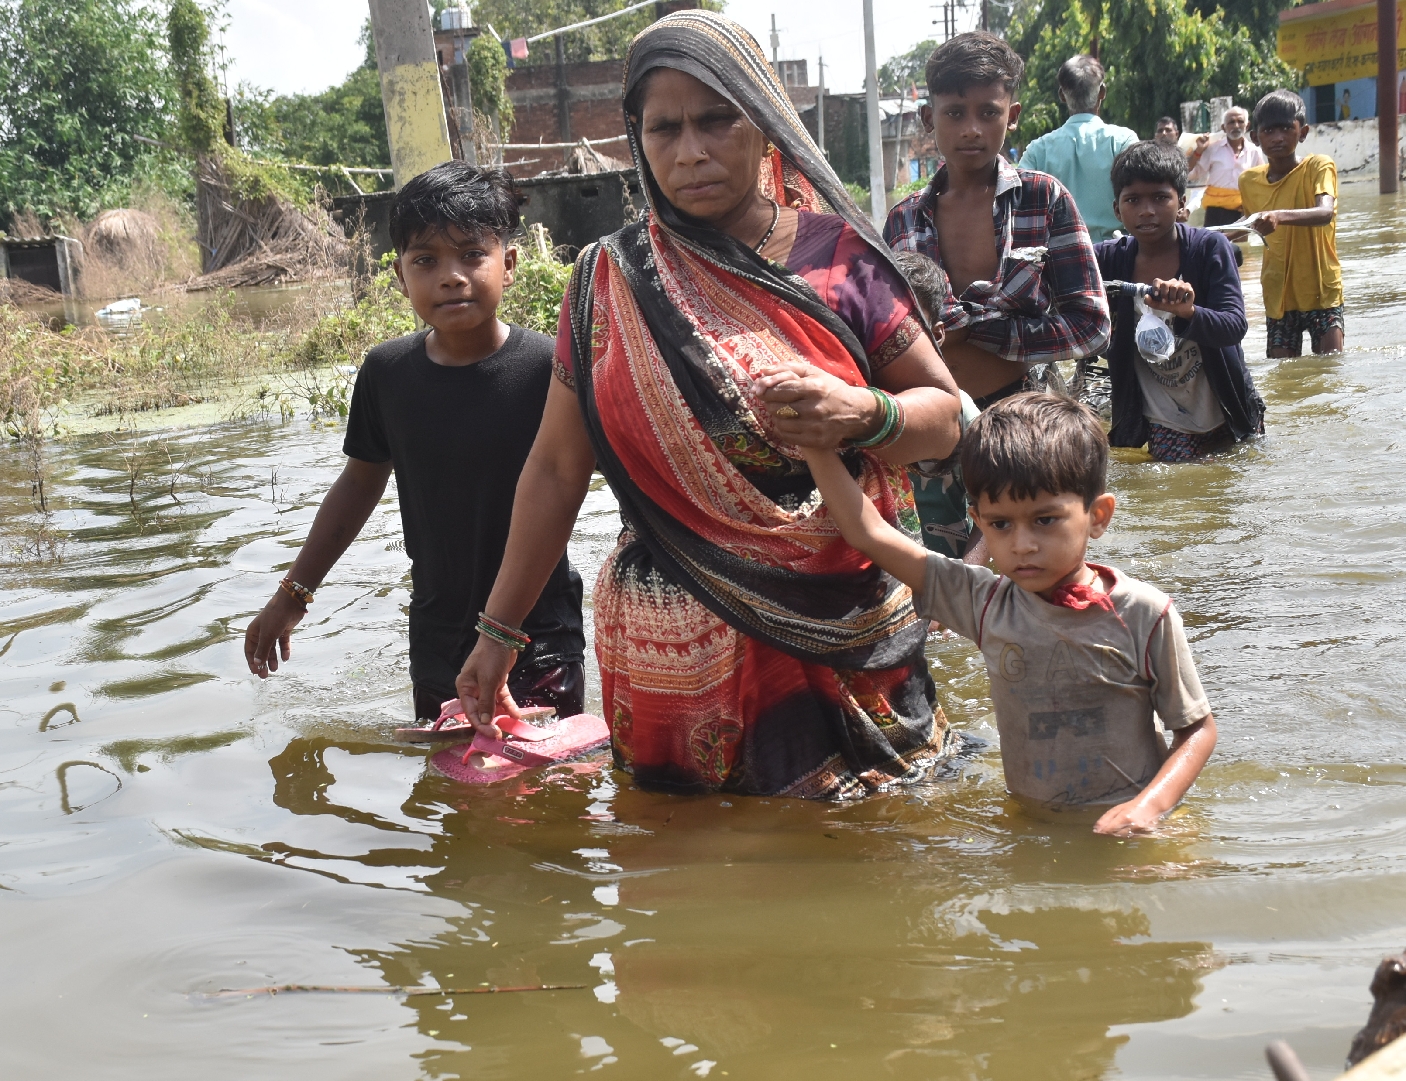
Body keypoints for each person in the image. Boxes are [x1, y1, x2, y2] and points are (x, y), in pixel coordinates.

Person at [454, 10, 966, 799]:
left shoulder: (839, 259)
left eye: (716, 120)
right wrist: (497, 632)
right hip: (667, 653)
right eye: (664, 129)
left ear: (764, 125)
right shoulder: (605, 282)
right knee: (674, 889)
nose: (690, 151)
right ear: (638, 139)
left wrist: (865, 414)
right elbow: (557, 469)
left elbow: (950, 415)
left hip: (836, 637)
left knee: (870, 847)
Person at [779, 390, 1218, 834]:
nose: (1022, 544)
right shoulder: (985, 602)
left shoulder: (1144, 613)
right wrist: (812, 444)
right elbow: (868, 533)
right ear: (978, 521)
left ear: (1098, 516)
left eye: (1045, 520)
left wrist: (1149, 808)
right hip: (1030, 822)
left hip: (1137, 824)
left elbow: (1197, 731)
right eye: (1001, 524)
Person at [243, 163, 586, 723]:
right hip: (437, 637)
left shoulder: (551, 370)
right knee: (452, 796)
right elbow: (359, 483)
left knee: (545, 790)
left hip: (538, 635)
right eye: (426, 260)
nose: (451, 276)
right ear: (401, 278)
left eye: (472, 254)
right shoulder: (388, 373)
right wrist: (293, 593)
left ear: (511, 265)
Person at [884, 31, 1109, 556]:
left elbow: (1092, 322)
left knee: (1029, 569)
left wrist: (983, 331)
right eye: (955, 112)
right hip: (930, 428)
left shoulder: (1043, 198)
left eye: (988, 112)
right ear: (927, 119)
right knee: (943, 582)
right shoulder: (901, 221)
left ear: (1014, 115)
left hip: (1022, 422)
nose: (972, 129)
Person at [1096, 141, 1264, 462]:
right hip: (1164, 417)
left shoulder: (1210, 249)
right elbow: (1060, 270)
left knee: (1231, 489)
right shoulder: (1107, 259)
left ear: (1182, 203)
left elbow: (1234, 326)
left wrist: (1189, 312)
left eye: (1160, 198)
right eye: (1133, 200)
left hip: (1226, 402)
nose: (1147, 210)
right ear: (1117, 209)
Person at [1239, 90, 1344, 357]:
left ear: (1303, 132)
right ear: (1255, 137)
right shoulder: (1249, 181)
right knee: (1283, 375)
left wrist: (1278, 216)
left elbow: (1324, 213)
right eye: (1269, 130)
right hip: (1278, 295)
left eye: (1286, 128)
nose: (1278, 137)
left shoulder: (1319, 166)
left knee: (1330, 372)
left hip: (1321, 290)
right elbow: (1248, 223)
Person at [1018, 55, 1138, 242]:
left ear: (1062, 95)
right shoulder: (1123, 141)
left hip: (1059, 258)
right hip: (1115, 253)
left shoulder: (1038, 149)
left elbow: (1019, 202)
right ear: (1102, 93)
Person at [1186, 105, 1266, 228]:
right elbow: (1192, 174)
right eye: (1231, 122)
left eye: (1240, 121)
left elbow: (1261, 183)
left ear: (1247, 125)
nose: (1236, 126)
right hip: (1215, 210)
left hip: (1242, 211)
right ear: (1224, 127)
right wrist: (1198, 151)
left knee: (1239, 247)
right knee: (1212, 245)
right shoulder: (1213, 148)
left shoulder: (1254, 152)